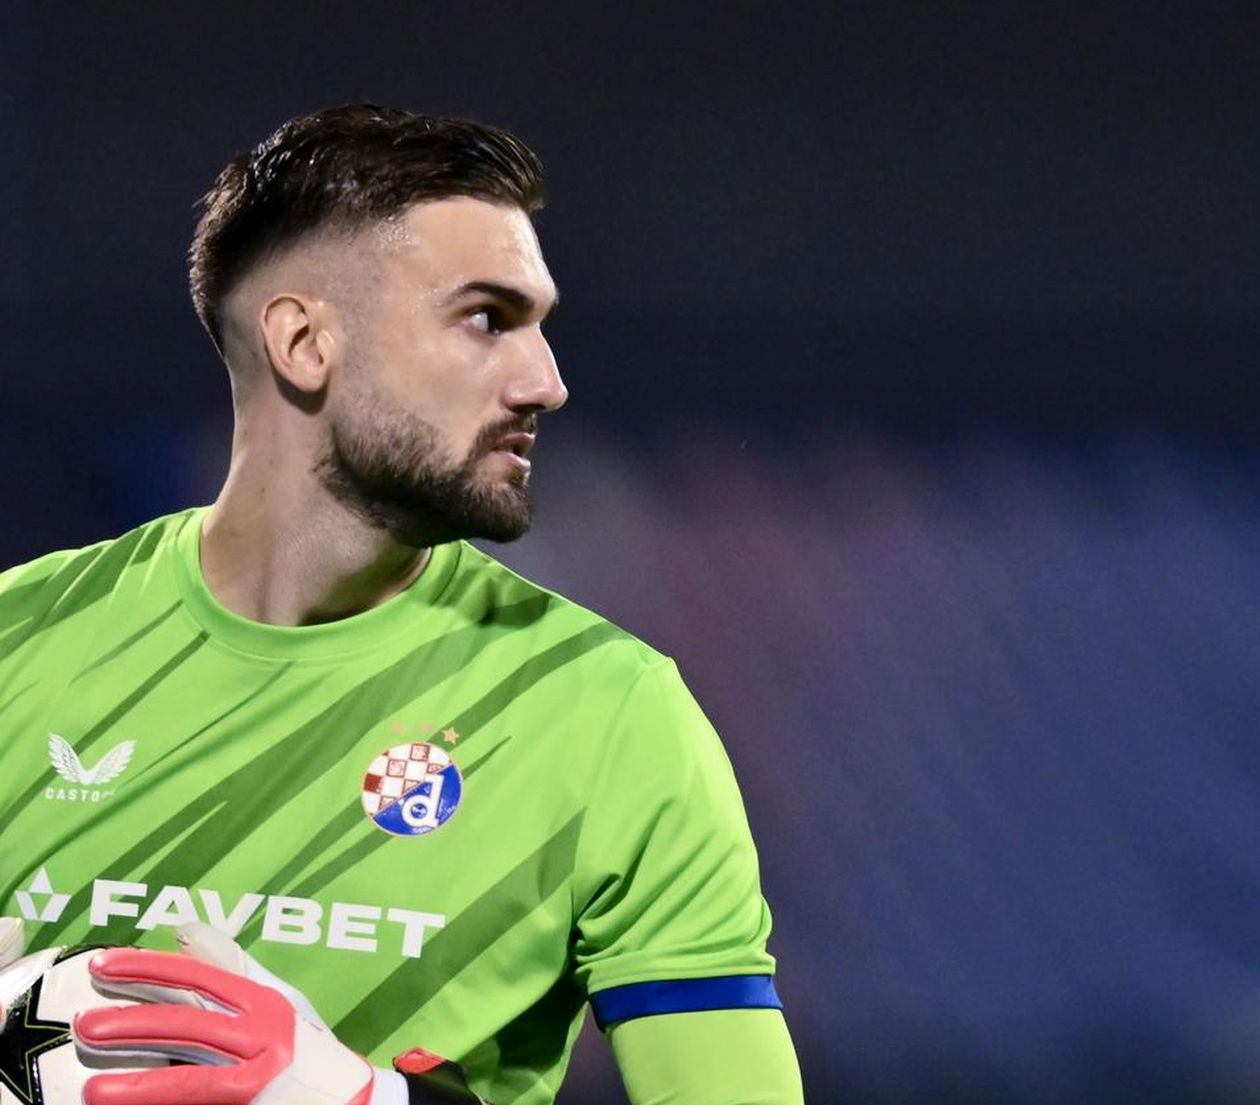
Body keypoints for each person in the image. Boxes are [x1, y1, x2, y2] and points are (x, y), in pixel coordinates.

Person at [0, 104, 803, 1105]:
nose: (545, 382)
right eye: (485, 319)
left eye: (539, 326)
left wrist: (364, 1100)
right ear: (302, 342)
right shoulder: (16, 646)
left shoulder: (609, 717)